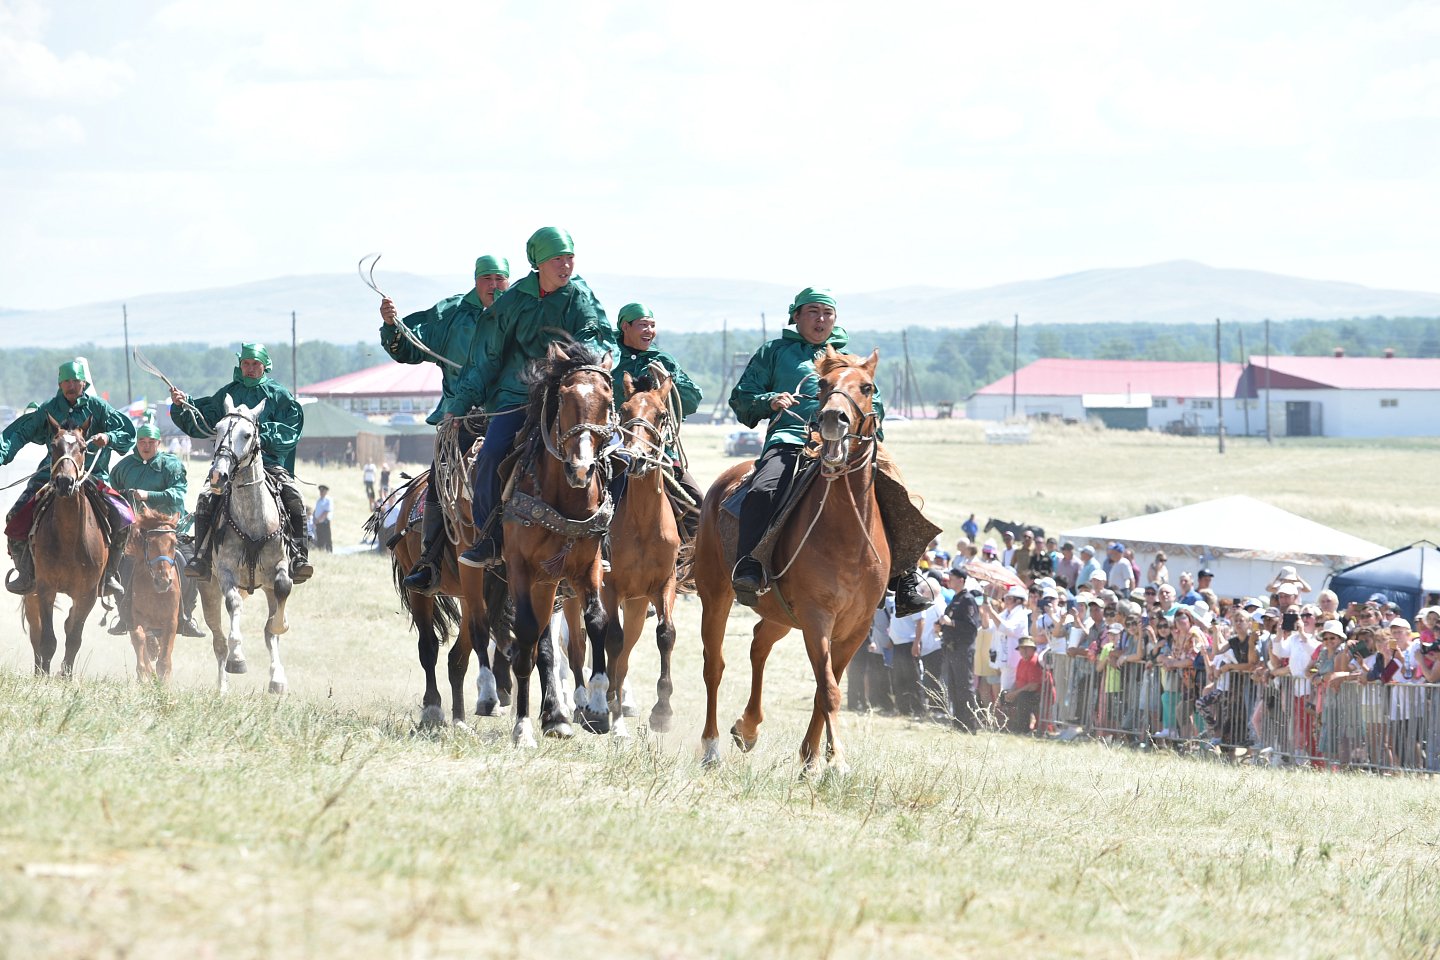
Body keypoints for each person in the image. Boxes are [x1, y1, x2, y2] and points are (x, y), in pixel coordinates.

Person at [726, 287, 937, 616]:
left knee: (894, 489)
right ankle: (751, 566)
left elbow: (874, 401)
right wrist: (768, 400)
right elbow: (742, 396)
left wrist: (869, 432)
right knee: (765, 489)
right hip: (792, 436)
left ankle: (905, 576)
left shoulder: (849, 361)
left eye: (827, 313)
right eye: (812, 312)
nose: (820, 319)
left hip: (848, 443)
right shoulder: (774, 352)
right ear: (796, 317)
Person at [457, 227, 618, 569]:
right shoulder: (514, 301)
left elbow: (595, 331)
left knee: (613, 452)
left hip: (568, 393)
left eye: (569, 257)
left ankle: (605, 539)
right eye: (556, 259)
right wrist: (459, 402)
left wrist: (587, 355)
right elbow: (488, 356)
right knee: (491, 453)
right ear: (538, 263)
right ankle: (488, 539)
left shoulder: (579, 295)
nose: (565, 265)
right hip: (517, 395)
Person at [379, 254, 512, 592]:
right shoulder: (450, 315)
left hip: (511, 414)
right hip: (462, 419)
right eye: (488, 279)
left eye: (500, 279)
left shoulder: (519, 312)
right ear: (476, 281)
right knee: (441, 481)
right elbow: (409, 346)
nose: (495, 286)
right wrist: (392, 327)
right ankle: (431, 560)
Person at [169, 343, 312, 584]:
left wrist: (258, 434)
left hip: (268, 463)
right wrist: (183, 405)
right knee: (205, 496)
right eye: (246, 364)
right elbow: (203, 418)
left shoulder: (279, 395)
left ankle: (298, 556)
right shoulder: (228, 393)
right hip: (230, 465)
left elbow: (290, 429)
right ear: (240, 366)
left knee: (294, 496)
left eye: (255, 364)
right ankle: (201, 558)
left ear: (264, 366)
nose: (250, 368)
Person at [2, 359, 137, 596]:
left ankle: (109, 574)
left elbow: (127, 432)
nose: (71, 385)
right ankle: (26, 573)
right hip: (50, 473)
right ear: (59, 383)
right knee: (15, 516)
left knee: (125, 518)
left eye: (75, 380)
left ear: (84, 382)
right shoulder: (49, 409)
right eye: (66, 381)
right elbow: (20, 432)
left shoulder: (99, 407)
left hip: (92, 474)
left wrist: (109, 438)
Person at [610, 302, 704, 542]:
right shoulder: (609, 357)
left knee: (697, 505)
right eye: (642, 325)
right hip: (611, 443)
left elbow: (692, 401)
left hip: (657, 449)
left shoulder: (664, 360)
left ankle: (690, 563)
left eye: (652, 326)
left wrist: (670, 384)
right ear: (625, 327)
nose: (649, 331)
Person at [107, 414, 204, 638]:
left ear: (158, 443)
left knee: (190, 563)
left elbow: (177, 494)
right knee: (119, 565)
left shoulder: (171, 465)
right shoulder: (123, 467)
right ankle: (124, 615)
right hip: (137, 533)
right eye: (142, 442)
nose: (146, 446)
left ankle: (186, 615)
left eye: (151, 442)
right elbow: (113, 493)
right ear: (137, 443)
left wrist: (147, 494)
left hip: (168, 529)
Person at [1004, 637, 1043, 734]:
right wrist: (1011, 692)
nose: (1023, 651)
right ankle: (1008, 724)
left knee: (1023, 697)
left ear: (1033, 649)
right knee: (1003, 695)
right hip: (1024, 692)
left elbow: (1033, 686)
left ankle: (1022, 729)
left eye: (1026, 648)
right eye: (1022, 648)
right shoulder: (1021, 661)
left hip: (1038, 695)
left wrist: (1015, 694)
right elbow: (1017, 681)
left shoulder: (1035, 661)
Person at [313, 485, 333, 553]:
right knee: (320, 538)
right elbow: (316, 510)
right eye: (320, 491)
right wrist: (315, 520)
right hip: (318, 522)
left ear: (326, 492)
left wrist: (319, 519)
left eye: (323, 491)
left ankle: (329, 552)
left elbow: (326, 511)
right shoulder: (319, 500)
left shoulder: (328, 500)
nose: (321, 492)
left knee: (327, 538)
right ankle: (320, 552)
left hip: (324, 522)